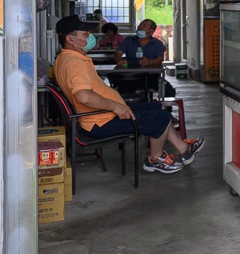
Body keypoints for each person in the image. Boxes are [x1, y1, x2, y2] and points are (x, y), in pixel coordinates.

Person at [53, 15, 203, 174]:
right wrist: (115, 105)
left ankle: (184, 149)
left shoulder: (66, 58)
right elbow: (84, 96)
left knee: (156, 106)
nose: (90, 37)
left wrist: (116, 105)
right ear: (70, 39)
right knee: (162, 117)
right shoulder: (75, 63)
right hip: (101, 121)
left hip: (103, 115)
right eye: (85, 34)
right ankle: (155, 159)